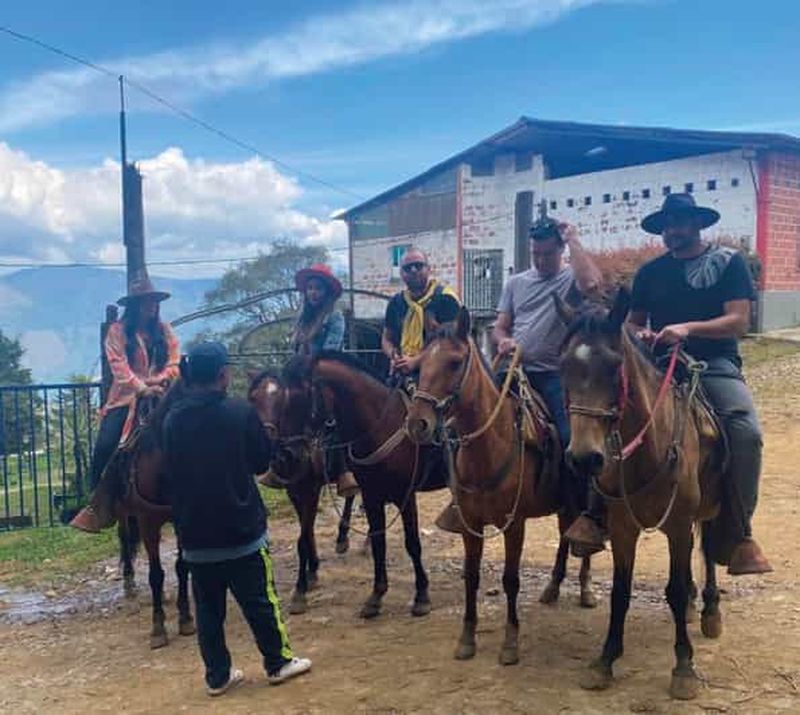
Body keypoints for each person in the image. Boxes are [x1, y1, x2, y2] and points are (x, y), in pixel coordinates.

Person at [565, 193, 772, 575]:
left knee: (746, 432)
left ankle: (739, 533)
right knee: (603, 415)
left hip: (714, 364)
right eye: (666, 225)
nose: (671, 231)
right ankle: (595, 515)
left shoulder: (728, 263)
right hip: (656, 365)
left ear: (697, 224)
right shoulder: (650, 273)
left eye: (679, 222)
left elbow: (738, 321)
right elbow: (631, 323)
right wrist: (640, 335)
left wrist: (686, 328)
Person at [162, 341, 312, 695]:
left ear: (186, 375)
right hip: (241, 530)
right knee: (261, 600)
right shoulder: (240, 412)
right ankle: (278, 662)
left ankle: (218, 676)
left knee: (209, 611)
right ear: (224, 375)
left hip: (195, 536)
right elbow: (262, 463)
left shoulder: (171, 421)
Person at [435, 218, 602, 534]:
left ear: (561, 250)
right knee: (462, 423)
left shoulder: (570, 279)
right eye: (535, 254)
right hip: (510, 367)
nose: (540, 261)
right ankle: (461, 500)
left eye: (547, 254)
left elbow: (592, 285)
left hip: (553, 373)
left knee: (569, 438)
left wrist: (575, 239)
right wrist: (503, 340)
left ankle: (580, 509)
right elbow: (500, 326)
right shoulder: (516, 283)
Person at [71, 272, 180, 533]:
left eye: (154, 302)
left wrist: (160, 380)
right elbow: (118, 367)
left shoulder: (165, 330)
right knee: (106, 444)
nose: (151, 307)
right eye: (146, 302)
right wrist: (142, 387)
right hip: (126, 398)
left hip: (163, 393)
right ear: (134, 306)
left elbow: (174, 360)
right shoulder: (117, 332)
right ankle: (99, 504)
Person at [260, 264, 359, 497]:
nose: (313, 293)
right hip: (300, 373)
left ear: (326, 292)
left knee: (335, 415)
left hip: (326, 373)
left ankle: (345, 470)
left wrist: (306, 366)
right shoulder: (302, 319)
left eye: (318, 289)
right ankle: (279, 464)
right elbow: (294, 349)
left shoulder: (333, 317)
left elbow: (330, 351)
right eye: (310, 288)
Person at [381, 248, 460, 385]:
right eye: (407, 268)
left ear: (429, 269)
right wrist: (394, 356)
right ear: (401, 273)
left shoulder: (446, 299)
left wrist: (416, 361)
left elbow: (451, 343)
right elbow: (387, 338)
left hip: (440, 376)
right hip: (402, 372)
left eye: (418, 265)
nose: (413, 270)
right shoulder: (396, 303)